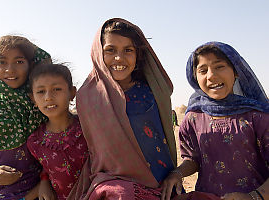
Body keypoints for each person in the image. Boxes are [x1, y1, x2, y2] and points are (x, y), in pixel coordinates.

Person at [68, 18, 181, 200]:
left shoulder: (152, 92)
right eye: (110, 50)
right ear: (98, 53)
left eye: (128, 50)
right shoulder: (88, 97)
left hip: (161, 183)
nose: (119, 58)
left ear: (138, 56)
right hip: (115, 186)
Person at [172, 42, 269, 200]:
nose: (211, 75)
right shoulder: (193, 118)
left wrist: (253, 197)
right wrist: (177, 174)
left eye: (219, 67)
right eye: (203, 70)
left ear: (236, 72)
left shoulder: (257, 117)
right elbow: (193, 159)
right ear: (195, 77)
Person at [0, 35, 51, 200]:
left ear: (31, 65)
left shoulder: (43, 106)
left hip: (41, 192)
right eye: (2, 62)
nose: (10, 70)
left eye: (19, 61)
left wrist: (44, 180)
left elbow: (54, 152)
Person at [27, 63, 88, 200]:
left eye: (57, 89)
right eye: (41, 91)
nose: (48, 97)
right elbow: (46, 167)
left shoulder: (88, 128)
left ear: (72, 93)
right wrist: (44, 181)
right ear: (33, 99)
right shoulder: (35, 141)